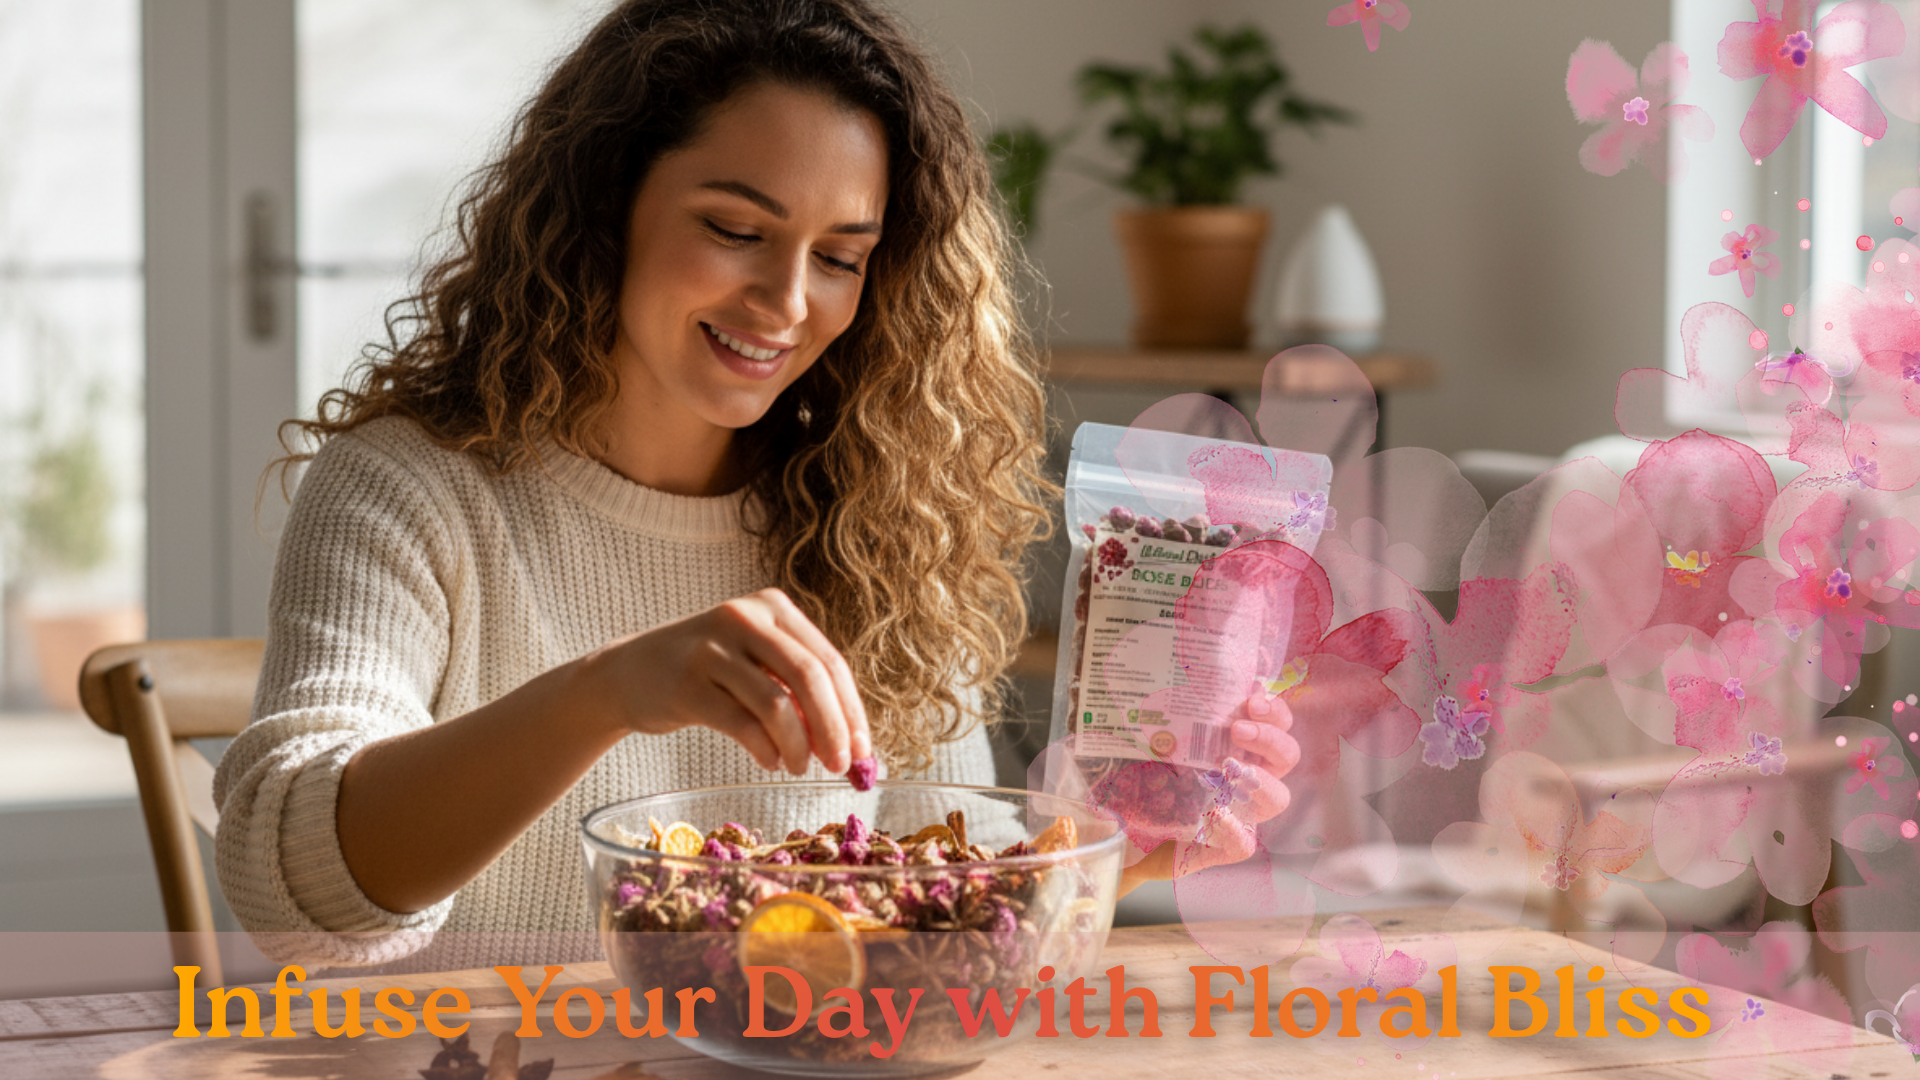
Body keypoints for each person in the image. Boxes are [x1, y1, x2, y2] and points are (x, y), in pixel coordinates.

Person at [213, 0, 1299, 970]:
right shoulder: (412, 491)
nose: (785, 301)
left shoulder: (881, 517)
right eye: (736, 229)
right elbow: (295, 897)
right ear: (605, 207)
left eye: (840, 256)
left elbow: (946, 927)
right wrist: (607, 692)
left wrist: (1118, 845)